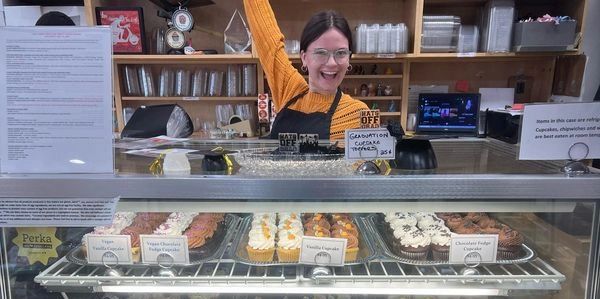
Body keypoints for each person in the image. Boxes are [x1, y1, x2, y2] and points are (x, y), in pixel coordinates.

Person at [243, 0, 368, 140]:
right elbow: (266, 36)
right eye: (321, 53)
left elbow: (370, 160)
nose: (332, 63)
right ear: (304, 57)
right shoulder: (289, 90)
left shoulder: (358, 114)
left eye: (341, 53)